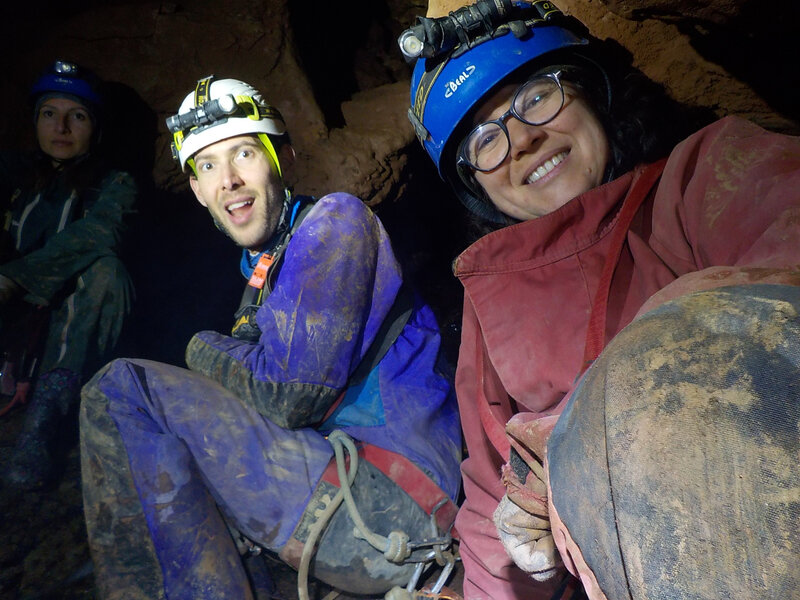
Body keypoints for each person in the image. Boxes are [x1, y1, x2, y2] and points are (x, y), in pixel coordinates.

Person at [403, 0, 800, 597]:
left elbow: (783, 274)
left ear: (592, 91)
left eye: (536, 97)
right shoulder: (488, 312)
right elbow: (492, 507)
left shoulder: (706, 174)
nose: (521, 141)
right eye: (485, 139)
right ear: (476, 188)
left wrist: (573, 441)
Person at [79, 75, 462, 599]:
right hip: (347, 496)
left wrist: (200, 347)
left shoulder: (335, 223)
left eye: (243, 154)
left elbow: (288, 396)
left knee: (122, 388)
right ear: (196, 190)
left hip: (391, 504)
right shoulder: (262, 279)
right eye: (208, 166)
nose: (229, 179)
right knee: (179, 456)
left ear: (280, 157)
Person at [0, 60, 136, 491]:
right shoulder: (14, 175)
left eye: (76, 116)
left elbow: (100, 232)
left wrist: (15, 278)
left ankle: (43, 423)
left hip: (66, 318)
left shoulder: (115, 183)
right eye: (48, 114)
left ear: (94, 127)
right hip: (12, 318)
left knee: (108, 271)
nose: (60, 127)